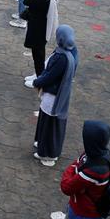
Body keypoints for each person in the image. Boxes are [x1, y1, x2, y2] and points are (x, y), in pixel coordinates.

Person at [31, 25, 77, 167]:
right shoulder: (71, 52)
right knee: (47, 121)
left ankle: (49, 153)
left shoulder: (61, 58)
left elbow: (50, 76)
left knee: (50, 124)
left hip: (53, 97)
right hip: (57, 95)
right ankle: (43, 147)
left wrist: (37, 82)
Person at [17, 0, 59, 80]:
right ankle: (38, 74)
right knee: (39, 55)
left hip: (38, 31)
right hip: (43, 30)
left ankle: (40, 79)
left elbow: (26, 1)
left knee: (38, 56)